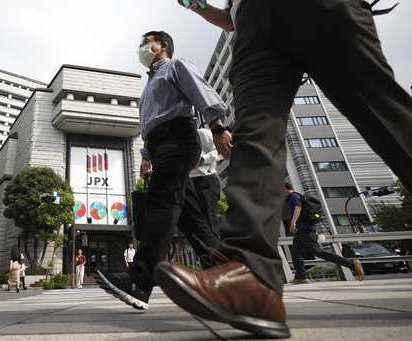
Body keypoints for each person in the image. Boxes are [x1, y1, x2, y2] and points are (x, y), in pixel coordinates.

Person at [154, 0, 412, 339]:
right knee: (254, 138)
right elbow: (229, 19)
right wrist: (196, 5)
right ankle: (251, 280)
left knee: (385, 114)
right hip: (253, 27)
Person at [96, 30, 228, 311]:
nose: (142, 47)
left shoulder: (175, 66)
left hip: (177, 139)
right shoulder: (150, 85)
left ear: (162, 45)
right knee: (192, 219)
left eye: (146, 42)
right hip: (160, 145)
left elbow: (200, 92)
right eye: (141, 43)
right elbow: (149, 124)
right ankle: (225, 277)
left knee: (162, 203)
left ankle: (139, 279)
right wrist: (146, 157)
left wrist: (218, 127)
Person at [283, 183, 364, 284]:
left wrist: (293, 222)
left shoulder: (293, 196)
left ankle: (352, 264)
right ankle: (300, 277)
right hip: (301, 231)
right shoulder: (293, 197)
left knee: (318, 252)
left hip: (305, 230)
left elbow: (298, 208)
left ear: (285, 189)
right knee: (295, 253)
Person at [186, 127, 221, 235]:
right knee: (194, 225)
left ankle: (216, 250)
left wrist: (203, 159)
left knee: (209, 222)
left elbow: (218, 150)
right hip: (188, 182)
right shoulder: (178, 140)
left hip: (206, 179)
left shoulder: (202, 133)